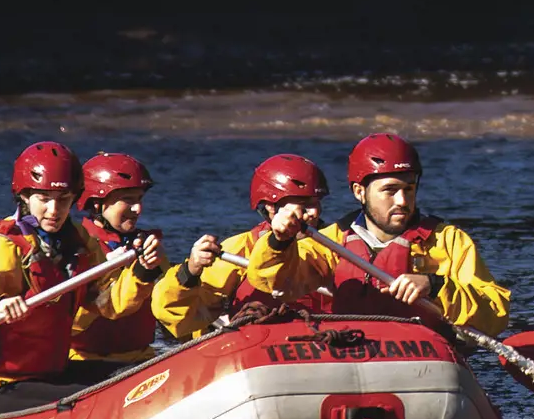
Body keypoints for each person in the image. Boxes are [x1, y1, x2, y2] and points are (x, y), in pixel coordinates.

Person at [0, 142, 116, 415]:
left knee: (131, 374)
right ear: (25, 197)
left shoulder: (78, 242)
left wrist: (142, 273)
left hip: (50, 372)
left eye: (63, 199)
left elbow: (106, 302)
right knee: (97, 398)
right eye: (43, 199)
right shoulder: (1, 247)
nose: (54, 210)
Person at [325, 131, 510, 329]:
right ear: (359, 192)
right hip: (347, 345)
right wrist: (285, 240)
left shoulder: (448, 240)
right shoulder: (327, 242)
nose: (402, 201)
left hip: (423, 350)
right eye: (390, 190)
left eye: (409, 189)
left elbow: (495, 313)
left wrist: (436, 286)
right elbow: (290, 276)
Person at [151, 154, 341, 339]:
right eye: (304, 205)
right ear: (271, 208)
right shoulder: (238, 249)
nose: (314, 212)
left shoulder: (338, 242)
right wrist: (190, 272)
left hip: (332, 340)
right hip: (262, 348)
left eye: (317, 203)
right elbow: (177, 318)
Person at [69, 153, 169, 363]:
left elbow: (168, 301)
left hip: (140, 358)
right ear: (97, 204)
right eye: (128, 200)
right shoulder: (76, 246)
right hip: (82, 360)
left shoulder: (147, 245)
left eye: (140, 199)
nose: (138, 209)